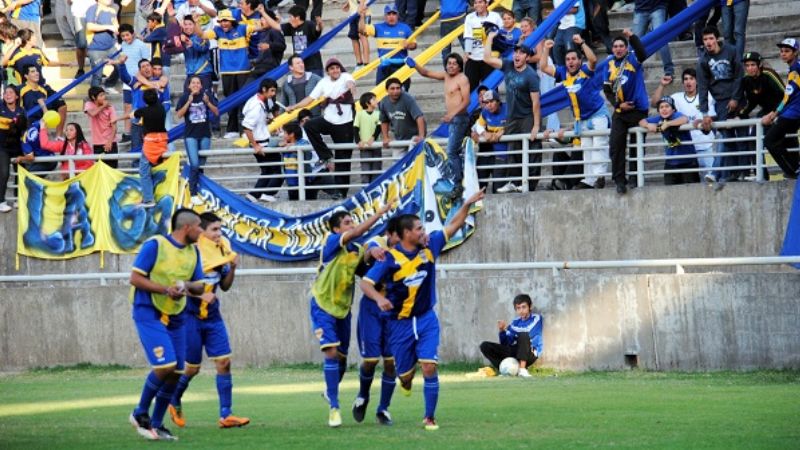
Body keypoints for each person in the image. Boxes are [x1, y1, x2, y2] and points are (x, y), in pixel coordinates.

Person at [360, 189, 485, 431]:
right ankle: (406, 379)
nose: (424, 232)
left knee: (429, 366)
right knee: (405, 377)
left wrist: (467, 204)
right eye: (419, 229)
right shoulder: (389, 258)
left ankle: (429, 416)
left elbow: (454, 224)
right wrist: (378, 298)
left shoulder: (431, 246)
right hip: (399, 324)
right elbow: (365, 283)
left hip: (427, 319)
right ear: (407, 234)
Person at [310, 202, 396, 427]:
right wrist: (379, 213)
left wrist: (373, 252)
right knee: (330, 352)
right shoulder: (330, 244)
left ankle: (332, 392)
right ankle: (334, 408)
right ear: (336, 230)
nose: (352, 225)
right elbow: (358, 233)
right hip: (322, 305)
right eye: (347, 223)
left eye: (352, 221)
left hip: (343, 310)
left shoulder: (356, 250)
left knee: (340, 359)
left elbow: (366, 266)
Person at [128, 208, 207, 441]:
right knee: (166, 365)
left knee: (176, 373)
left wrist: (185, 285)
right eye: (199, 226)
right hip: (148, 311)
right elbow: (135, 278)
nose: (201, 231)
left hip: (177, 315)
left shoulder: (194, 252)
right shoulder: (156, 245)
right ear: (186, 227)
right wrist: (166, 289)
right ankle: (140, 412)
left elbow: (200, 287)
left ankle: (157, 423)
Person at [167, 212, 250, 430]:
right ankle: (173, 399)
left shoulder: (222, 248)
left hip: (212, 316)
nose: (219, 234)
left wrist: (232, 268)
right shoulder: (192, 253)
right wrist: (200, 295)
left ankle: (226, 414)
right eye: (214, 229)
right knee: (192, 368)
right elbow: (176, 285)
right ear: (201, 231)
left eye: (220, 229)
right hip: (190, 317)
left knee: (224, 362)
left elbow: (224, 286)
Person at [351, 216, 401, 426]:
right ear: (389, 235)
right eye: (399, 235)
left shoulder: (411, 251)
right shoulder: (379, 244)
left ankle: (384, 409)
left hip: (394, 311)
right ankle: (363, 396)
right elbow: (370, 245)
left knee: (391, 362)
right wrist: (372, 250)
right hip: (372, 308)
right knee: (371, 360)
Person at [541, 35, 609, 190]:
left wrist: (583, 42)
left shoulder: (585, 70)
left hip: (597, 114)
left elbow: (593, 60)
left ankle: (599, 177)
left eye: (573, 59)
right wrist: (545, 49)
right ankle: (589, 180)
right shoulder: (563, 73)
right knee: (586, 149)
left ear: (579, 61)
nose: (570, 62)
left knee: (598, 145)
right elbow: (544, 67)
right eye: (568, 59)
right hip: (582, 119)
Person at [286, 57, 356, 199]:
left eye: (337, 68)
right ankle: (326, 155)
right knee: (310, 125)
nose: (335, 70)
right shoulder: (323, 82)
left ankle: (341, 193)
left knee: (344, 159)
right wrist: (294, 106)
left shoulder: (346, 76)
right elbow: (310, 99)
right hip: (329, 119)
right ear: (328, 71)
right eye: (331, 69)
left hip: (345, 122)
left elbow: (351, 84)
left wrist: (352, 89)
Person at [485, 34, 542, 193]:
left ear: (527, 57)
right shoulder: (508, 65)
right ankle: (515, 182)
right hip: (513, 117)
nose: (517, 55)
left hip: (527, 116)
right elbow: (487, 59)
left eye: (521, 53)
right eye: (516, 52)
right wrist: (489, 37)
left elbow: (536, 102)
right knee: (513, 149)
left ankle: (529, 185)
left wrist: (536, 125)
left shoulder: (531, 76)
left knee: (532, 148)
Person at [203, 8, 265, 139]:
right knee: (230, 100)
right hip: (226, 72)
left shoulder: (243, 28)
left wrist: (264, 14)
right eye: (221, 21)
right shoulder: (217, 31)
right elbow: (202, 35)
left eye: (226, 21)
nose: (223, 23)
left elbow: (263, 26)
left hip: (243, 70)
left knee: (244, 100)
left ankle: (245, 130)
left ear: (232, 21)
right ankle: (232, 130)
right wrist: (195, 22)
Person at [414, 54, 470, 196]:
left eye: (454, 63)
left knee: (451, 151)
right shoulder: (446, 76)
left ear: (459, 66)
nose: (451, 66)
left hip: (459, 118)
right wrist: (414, 64)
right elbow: (426, 73)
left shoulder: (462, 78)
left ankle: (458, 183)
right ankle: (456, 180)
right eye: (449, 63)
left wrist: (452, 114)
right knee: (453, 151)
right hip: (452, 120)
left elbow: (466, 101)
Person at [697, 25, 744, 185]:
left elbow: (739, 75)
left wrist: (736, 98)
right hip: (721, 102)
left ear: (717, 38)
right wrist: (704, 114)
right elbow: (702, 88)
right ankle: (726, 174)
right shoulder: (703, 61)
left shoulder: (730, 50)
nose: (708, 42)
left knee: (743, 136)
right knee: (727, 137)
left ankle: (739, 172)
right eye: (705, 39)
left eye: (710, 38)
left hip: (738, 98)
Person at [650, 69, 716, 180]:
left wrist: (702, 121)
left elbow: (713, 116)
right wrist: (662, 85)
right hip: (686, 150)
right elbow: (654, 104)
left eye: (691, 78)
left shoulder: (707, 96)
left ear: (697, 81)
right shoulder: (676, 97)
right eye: (685, 79)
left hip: (704, 146)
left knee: (710, 184)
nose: (688, 82)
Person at [604, 29, 649, 194]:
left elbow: (643, 53)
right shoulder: (608, 64)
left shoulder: (633, 58)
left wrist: (632, 36)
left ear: (626, 47)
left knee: (637, 145)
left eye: (621, 46)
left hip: (638, 110)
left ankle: (636, 178)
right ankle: (619, 181)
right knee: (616, 145)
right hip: (620, 111)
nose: (618, 49)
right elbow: (607, 90)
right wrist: (618, 106)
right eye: (615, 46)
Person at [736, 51, 783, 180]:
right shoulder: (746, 80)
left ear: (759, 64)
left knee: (785, 142)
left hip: (782, 110)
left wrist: (775, 113)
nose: (750, 68)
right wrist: (739, 115)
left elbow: (785, 96)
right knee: (753, 139)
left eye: (752, 65)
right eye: (747, 65)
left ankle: (790, 171)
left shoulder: (769, 74)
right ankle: (762, 174)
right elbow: (751, 103)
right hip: (766, 112)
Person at [176, 75, 218, 205]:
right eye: (193, 83)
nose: (195, 85)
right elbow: (179, 115)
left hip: (205, 133)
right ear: (189, 86)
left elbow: (216, 112)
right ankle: (193, 192)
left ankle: (199, 186)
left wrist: (207, 102)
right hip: (190, 135)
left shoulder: (207, 95)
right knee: (194, 164)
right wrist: (188, 102)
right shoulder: (184, 97)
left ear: (201, 85)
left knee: (201, 164)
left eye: (197, 83)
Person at [479, 293, 543, 378]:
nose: (521, 310)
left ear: (530, 307)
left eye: (524, 307)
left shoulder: (536, 318)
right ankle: (504, 370)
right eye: (518, 308)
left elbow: (528, 331)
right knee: (484, 346)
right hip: (516, 351)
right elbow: (506, 343)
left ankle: (522, 370)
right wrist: (502, 331)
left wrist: (510, 328)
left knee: (523, 335)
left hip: (530, 353)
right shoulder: (515, 322)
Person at [639, 96, 700, 185]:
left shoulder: (677, 115)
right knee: (669, 191)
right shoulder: (659, 118)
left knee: (691, 192)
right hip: (671, 162)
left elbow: (684, 119)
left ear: (673, 109)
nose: (664, 109)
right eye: (661, 107)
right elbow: (641, 121)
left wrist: (668, 124)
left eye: (667, 106)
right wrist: (648, 125)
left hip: (688, 161)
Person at [762, 38, 800, 179]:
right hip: (794, 112)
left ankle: (793, 170)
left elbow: (787, 96)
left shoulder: (795, 70)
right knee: (787, 140)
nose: (783, 54)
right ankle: (795, 167)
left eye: (787, 51)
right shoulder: (795, 68)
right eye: (781, 51)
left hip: (793, 113)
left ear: (795, 52)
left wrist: (774, 114)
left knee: (769, 141)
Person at [359, 3, 416, 91]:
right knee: (380, 93)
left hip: (401, 65)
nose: (391, 16)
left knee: (403, 93)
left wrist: (408, 45)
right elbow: (362, 30)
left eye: (394, 14)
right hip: (384, 66)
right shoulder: (378, 27)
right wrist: (362, 16)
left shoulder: (405, 28)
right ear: (385, 16)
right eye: (388, 14)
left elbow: (414, 45)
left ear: (397, 15)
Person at [243, 78, 281, 203]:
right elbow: (247, 127)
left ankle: (253, 195)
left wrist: (265, 121)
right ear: (264, 89)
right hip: (261, 143)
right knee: (278, 170)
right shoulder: (256, 106)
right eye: (271, 91)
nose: (273, 94)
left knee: (267, 170)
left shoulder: (257, 101)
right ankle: (268, 193)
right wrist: (255, 146)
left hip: (261, 141)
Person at [263, 5, 324, 76]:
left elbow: (317, 30)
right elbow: (276, 26)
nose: (289, 20)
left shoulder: (309, 25)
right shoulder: (291, 27)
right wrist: (263, 12)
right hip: (299, 66)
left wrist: (320, 25)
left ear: (297, 17)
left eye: (290, 17)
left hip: (313, 66)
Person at [2, 28, 74, 86]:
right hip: (25, 89)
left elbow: (47, 62)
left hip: (40, 85)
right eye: (33, 36)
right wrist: (15, 45)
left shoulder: (37, 51)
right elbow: (3, 63)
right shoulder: (16, 54)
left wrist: (65, 64)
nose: (36, 38)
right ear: (27, 40)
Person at [133, 89, 167, 208]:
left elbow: (135, 114)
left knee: (144, 171)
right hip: (162, 141)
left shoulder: (144, 111)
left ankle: (148, 199)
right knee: (161, 168)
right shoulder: (162, 109)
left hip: (150, 143)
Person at [471, 89, 510, 193]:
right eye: (487, 102)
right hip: (487, 154)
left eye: (492, 101)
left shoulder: (508, 109)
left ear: (498, 101)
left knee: (498, 189)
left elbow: (517, 123)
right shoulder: (484, 112)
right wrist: (484, 133)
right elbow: (478, 125)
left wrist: (503, 131)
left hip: (505, 154)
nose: (489, 105)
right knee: (479, 187)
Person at [119, 23, 151, 144]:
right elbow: (124, 60)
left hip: (138, 81)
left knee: (138, 105)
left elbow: (145, 63)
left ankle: (141, 131)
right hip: (127, 80)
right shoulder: (123, 45)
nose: (126, 38)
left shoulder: (141, 45)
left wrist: (140, 79)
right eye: (123, 36)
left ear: (133, 33)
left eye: (127, 35)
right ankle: (127, 133)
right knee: (127, 106)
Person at [378, 77, 425, 157]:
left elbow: (419, 117)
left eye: (398, 88)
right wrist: (385, 137)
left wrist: (421, 136)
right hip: (399, 138)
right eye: (392, 89)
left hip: (414, 137)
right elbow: (384, 121)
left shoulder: (408, 99)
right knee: (397, 163)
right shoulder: (384, 102)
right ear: (387, 90)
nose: (395, 91)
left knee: (413, 162)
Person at [463, 0, 502, 91]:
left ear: (486, 4)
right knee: (470, 90)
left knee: (491, 89)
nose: (477, 5)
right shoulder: (469, 17)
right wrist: (467, 52)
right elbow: (468, 36)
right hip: (473, 58)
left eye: (480, 2)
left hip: (489, 59)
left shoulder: (495, 16)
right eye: (475, 3)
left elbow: (502, 33)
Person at [20, 65, 68, 137]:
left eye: (37, 71)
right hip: (27, 124)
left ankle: (59, 137)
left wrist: (44, 104)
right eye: (32, 72)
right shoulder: (20, 89)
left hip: (42, 123)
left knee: (61, 104)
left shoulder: (45, 88)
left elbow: (60, 102)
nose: (37, 73)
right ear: (26, 76)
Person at [631, 0, 673, 81]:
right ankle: (632, 70)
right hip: (640, 8)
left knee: (661, 40)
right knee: (633, 43)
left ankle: (669, 71)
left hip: (657, 7)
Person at [0, 85, 25, 212]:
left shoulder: (21, 110)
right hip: (2, 147)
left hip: (16, 146)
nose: (7, 94)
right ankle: (1, 201)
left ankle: (17, 199)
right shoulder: (0, 108)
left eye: (10, 92)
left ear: (16, 96)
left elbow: (24, 130)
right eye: (5, 93)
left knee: (21, 172)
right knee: (4, 173)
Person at [85, 0, 120, 88]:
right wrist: (108, 27)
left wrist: (117, 40)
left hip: (111, 46)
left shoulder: (113, 9)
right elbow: (90, 26)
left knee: (121, 66)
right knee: (97, 75)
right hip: (96, 48)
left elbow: (116, 26)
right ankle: (94, 97)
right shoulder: (92, 9)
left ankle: (109, 84)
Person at [84, 86, 120, 168]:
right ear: (93, 97)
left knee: (112, 169)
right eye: (101, 95)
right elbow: (93, 114)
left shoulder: (110, 107)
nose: (104, 97)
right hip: (97, 143)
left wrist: (110, 142)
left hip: (110, 142)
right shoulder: (89, 104)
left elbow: (114, 127)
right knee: (99, 169)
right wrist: (103, 106)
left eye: (104, 95)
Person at [353, 92, 382, 184]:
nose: (376, 101)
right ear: (367, 103)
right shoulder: (360, 114)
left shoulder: (378, 114)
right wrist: (358, 141)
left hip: (376, 146)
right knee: (365, 170)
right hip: (364, 147)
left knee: (376, 170)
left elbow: (379, 127)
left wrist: (373, 138)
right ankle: (365, 190)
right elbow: (355, 128)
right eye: (374, 99)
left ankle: (375, 193)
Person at [281, 54, 322, 118]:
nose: (301, 65)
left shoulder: (314, 78)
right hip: (294, 119)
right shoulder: (286, 83)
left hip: (313, 117)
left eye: (302, 62)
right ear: (291, 67)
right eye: (298, 63)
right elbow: (283, 103)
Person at [551, 0, 585, 67]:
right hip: (563, 25)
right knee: (556, 48)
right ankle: (562, 72)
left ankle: (577, 70)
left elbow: (575, 9)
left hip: (575, 23)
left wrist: (558, 12)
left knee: (569, 45)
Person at [439, 0, 467, 66]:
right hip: (459, 16)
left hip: (446, 17)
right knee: (466, 44)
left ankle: (447, 70)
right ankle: (471, 69)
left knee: (445, 48)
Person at [344, 0, 370, 70]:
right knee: (354, 38)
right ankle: (359, 62)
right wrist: (348, 4)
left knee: (363, 36)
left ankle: (366, 62)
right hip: (352, 15)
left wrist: (360, 8)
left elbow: (362, 1)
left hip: (363, 13)